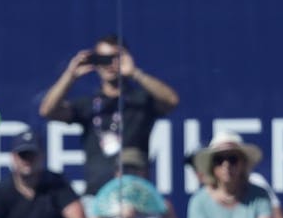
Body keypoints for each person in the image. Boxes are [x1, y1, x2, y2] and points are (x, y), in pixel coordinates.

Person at [38, 34, 179, 196]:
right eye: (102, 59)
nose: (109, 64)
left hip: (136, 192)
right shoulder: (89, 104)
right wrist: (70, 75)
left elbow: (171, 100)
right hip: (97, 194)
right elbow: (47, 110)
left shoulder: (141, 100)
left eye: (114, 58)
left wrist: (135, 73)